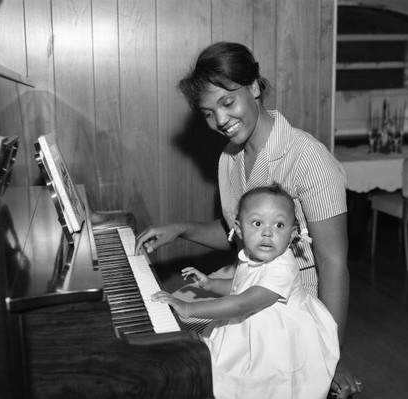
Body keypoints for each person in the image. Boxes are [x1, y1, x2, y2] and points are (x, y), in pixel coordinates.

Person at [135, 41, 362, 398]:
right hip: (246, 289)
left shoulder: (310, 159)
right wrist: (180, 230)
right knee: (166, 329)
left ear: (255, 86)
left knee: (189, 357)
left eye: (227, 102)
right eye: (208, 113)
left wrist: (330, 352)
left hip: (291, 310)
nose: (220, 121)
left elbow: (333, 262)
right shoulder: (230, 158)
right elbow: (235, 233)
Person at [153, 184, 340, 399]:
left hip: (276, 338)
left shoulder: (283, 269)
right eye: (257, 223)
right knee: (233, 377)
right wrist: (211, 284)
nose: (268, 232)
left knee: (270, 386)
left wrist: (188, 308)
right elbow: (241, 285)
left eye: (279, 225)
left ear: (292, 233)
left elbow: (243, 303)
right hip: (251, 324)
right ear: (239, 229)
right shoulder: (249, 256)